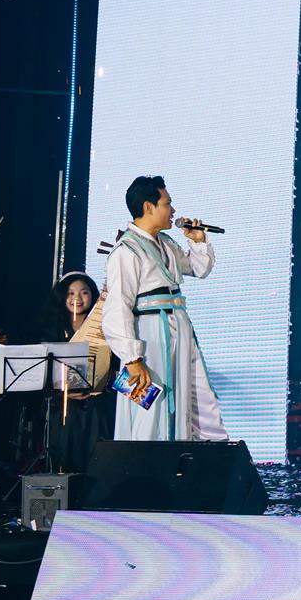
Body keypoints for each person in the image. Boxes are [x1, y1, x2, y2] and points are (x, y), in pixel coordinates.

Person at [101, 176, 225, 442]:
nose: (173, 210)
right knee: (151, 405)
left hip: (177, 328)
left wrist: (198, 241)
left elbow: (198, 269)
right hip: (149, 333)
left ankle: (183, 452)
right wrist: (132, 359)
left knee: (185, 394)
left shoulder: (166, 243)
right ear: (148, 207)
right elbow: (117, 308)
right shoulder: (126, 250)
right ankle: (145, 461)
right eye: (168, 204)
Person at [39, 271, 114, 474]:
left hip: (98, 406)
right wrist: (62, 391)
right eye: (70, 293)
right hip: (63, 407)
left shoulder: (106, 327)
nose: (77, 298)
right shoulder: (51, 330)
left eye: (84, 292)